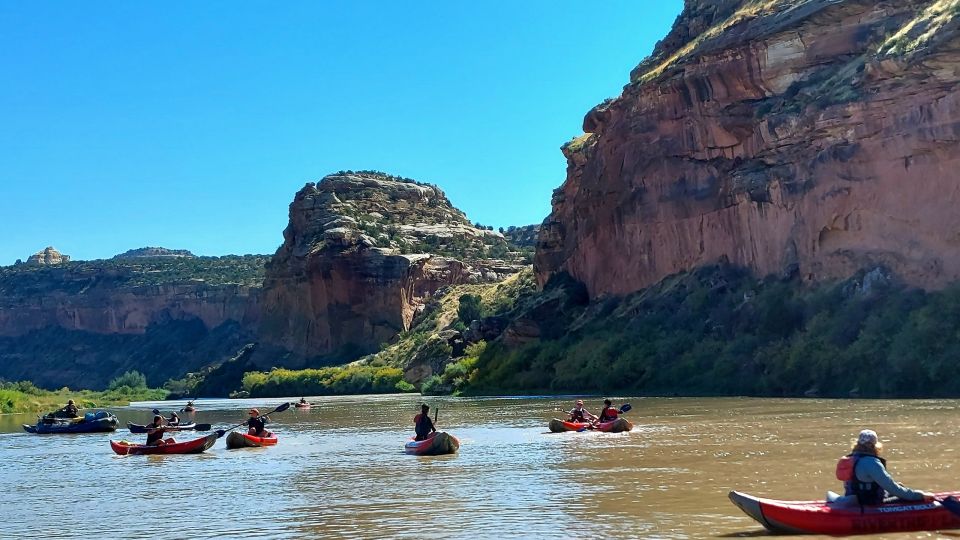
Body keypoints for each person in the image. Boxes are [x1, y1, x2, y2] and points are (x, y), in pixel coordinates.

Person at [829, 429, 934, 506]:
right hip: (869, 503)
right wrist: (919, 496)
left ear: (857, 443)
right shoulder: (871, 463)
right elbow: (892, 488)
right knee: (908, 496)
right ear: (875, 445)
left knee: (900, 485)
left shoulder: (851, 459)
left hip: (853, 499)